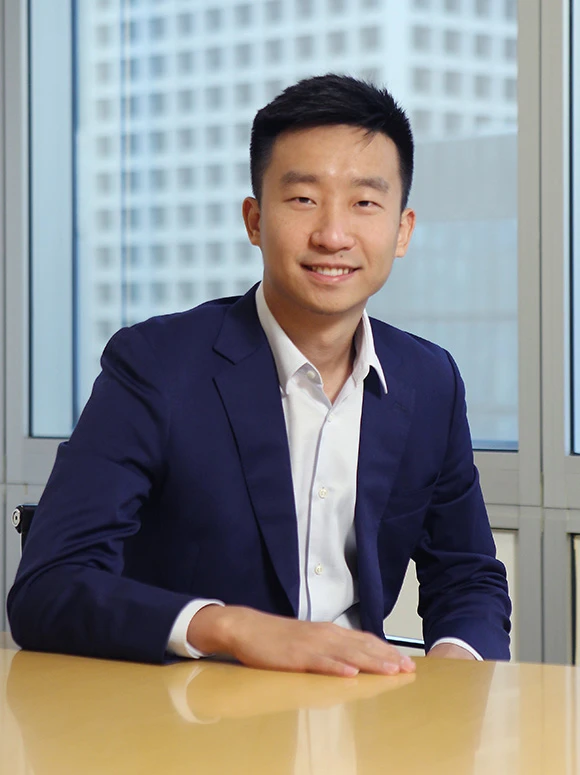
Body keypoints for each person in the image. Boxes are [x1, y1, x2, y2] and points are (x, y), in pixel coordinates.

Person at [7, 74, 511, 674]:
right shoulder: (157, 364)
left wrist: (453, 670)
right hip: (196, 718)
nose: (332, 234)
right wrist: (231, 627)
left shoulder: (429, 380)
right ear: (254, 220)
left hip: (364, 714)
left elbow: (467, 574)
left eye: (365, 203)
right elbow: (50, 585)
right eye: (303, 199)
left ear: (401, 231)